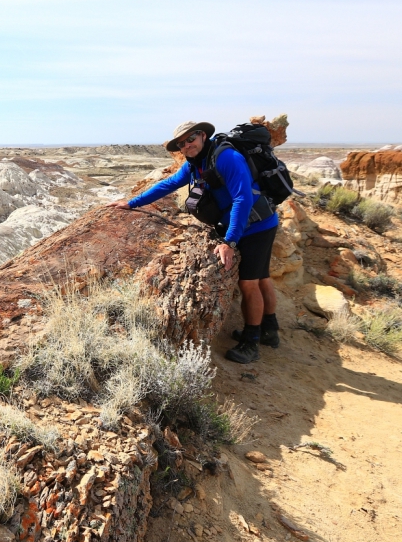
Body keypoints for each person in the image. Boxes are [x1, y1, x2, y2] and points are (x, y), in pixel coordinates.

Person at [108, 121, 280, 364]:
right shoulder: (197, 163)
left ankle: (251, 342)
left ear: (202, 135)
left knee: (249, 283)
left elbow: (242, 199)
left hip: (257, 226)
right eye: (181, 144)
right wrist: (132, 203)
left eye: (190, 139)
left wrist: (229, 241)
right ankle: (270, 331)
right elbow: (168, 184)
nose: (186, 145)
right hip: (250, 223)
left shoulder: (227, 158)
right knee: (261, 277)